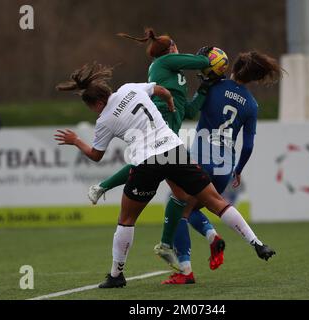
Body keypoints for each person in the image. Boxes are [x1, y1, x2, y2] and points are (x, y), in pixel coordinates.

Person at [54, 62, 275, 288]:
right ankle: (256, 243)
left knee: (126, 219)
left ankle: (116, 275)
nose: (95, 111)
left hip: (148, 162)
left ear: (98, 103)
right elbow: (162, 90)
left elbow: (96, 155)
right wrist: (170, 104)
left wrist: (76, 141)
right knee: (215, 201)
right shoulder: (130, 88)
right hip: (174, 152)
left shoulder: (104, 120)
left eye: (93, 108)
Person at [87, 28, 225, 271]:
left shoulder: (176, 74)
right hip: (161, 122)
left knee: (181, 196)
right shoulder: (164, 62)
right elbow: (201, 61)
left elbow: (190, 111)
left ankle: (172, 245)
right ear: (171, 48)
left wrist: (203, 89)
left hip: (172, 126)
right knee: (156, 167)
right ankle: (103, 187)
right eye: (176, 45)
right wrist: (208, 59)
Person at [162, 51, 283, 284]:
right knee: (200, 206)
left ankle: (185, 271)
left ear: (233, 68)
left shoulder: (215, 86)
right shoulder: (251, 104)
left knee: (178, 208)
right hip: (224, 167)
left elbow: (191, 109)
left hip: (199, 158)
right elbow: (248, 145)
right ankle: (243, 240)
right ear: (254, 78)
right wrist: (238, 169)